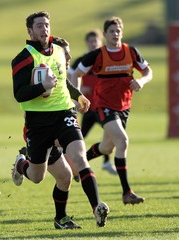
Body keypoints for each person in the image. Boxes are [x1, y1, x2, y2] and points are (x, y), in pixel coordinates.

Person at [11, 11, 109, 228]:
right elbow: (19, 94)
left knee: (79, 158)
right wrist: (42, 87)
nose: (44, 29)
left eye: (46, 25)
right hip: (38, 124)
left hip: (64, 114)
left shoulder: (58, 51)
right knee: (39, 176)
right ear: (30, 31)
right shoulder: (23, 58)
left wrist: (78, 95)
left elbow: (63, 81)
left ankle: (94, 208)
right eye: (39, 26)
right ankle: (21, 165)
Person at [70, 16, 153, 205]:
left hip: (124, 106)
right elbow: (76, 74)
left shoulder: (131, 52)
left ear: (121, 33)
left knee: (107, 147)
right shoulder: (98, 55)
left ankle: (78, 164)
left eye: (118, 31)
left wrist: (140, 81)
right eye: (111, 31)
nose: (115, 34)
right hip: (104, 105)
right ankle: (127, 192)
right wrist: (77, 97)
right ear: (105, 34)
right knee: (123, 141)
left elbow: (148, 72)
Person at [68, 29, 117, 176]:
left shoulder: (105, 59)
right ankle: (75, 163)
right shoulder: (82, 60)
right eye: (90, 41)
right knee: (80, 136)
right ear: (86, 43)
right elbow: (70, 76)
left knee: (111, 134)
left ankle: (106, 162)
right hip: (88, 106)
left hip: (103, 105)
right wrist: (80, 89)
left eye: (95, 40)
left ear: (100, 42)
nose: (93, 43)